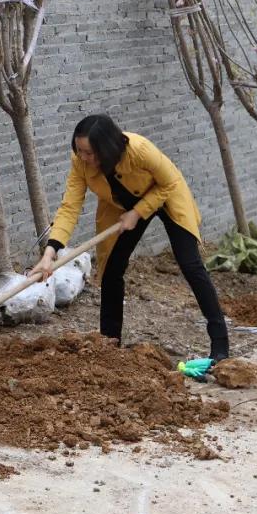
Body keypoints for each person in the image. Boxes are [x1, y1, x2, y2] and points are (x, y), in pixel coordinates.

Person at [31, 114, 229, 361]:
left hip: (165, 196)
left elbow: (169, 182)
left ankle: (220, 344)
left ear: (107, 147)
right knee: (112, 271)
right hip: (121, 207)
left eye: (89, 152)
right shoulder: (80, 161)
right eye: (79, 150)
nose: (83, 157)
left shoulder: (140, 150)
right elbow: (70, 206)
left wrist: (139, 212)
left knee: (190, 264)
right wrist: (50, 254)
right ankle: (109, 345)